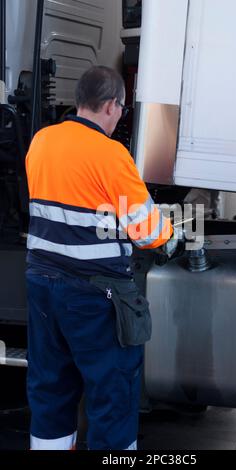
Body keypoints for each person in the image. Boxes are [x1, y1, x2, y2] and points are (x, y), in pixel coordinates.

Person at [25, 66, 175, 450]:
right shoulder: (111, 154)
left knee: (50, 388)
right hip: (95, 295)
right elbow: (148, 231)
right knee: (112, 395)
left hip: (42, 285)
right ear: (111, 105)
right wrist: (172, 233)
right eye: (122, 108)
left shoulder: (42, 140)